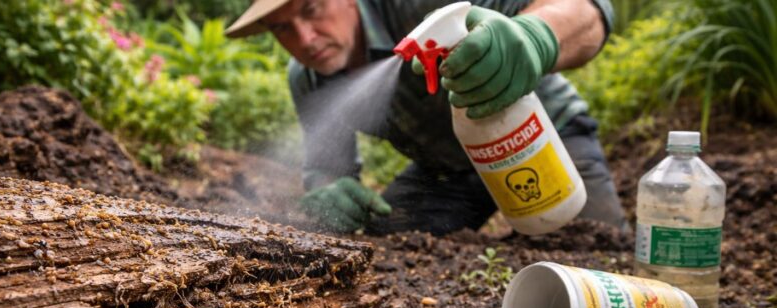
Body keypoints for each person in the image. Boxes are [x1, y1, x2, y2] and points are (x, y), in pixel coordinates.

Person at [226, 0, 628, 235]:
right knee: (387, 241)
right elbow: (328, 170)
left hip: (538, 137)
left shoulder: (419, 5)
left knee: (592, 254)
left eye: (312, 9)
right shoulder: (309, 79)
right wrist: (328, 195)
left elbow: (590, 10)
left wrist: (536, 36)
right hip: (446, 171)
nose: (305, 39)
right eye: (282, 28)